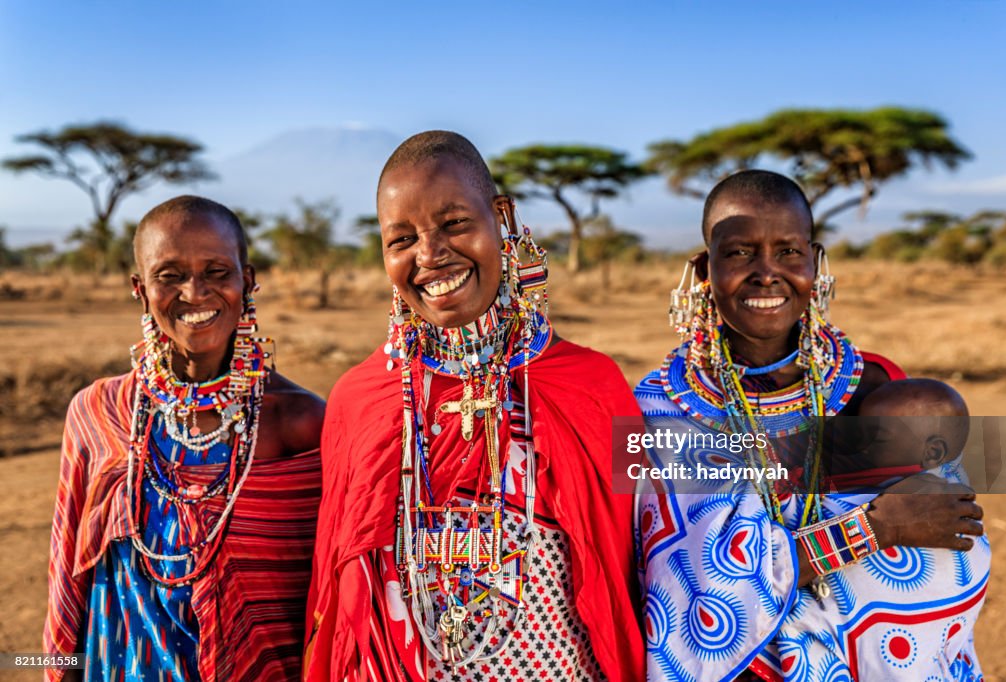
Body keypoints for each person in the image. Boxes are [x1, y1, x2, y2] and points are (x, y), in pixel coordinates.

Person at [304, 131, 643, 682]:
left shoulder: (590, 384)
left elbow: (644, 559)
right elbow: (340, 597)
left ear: (501, 217)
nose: (431, 255)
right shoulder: (358, 401)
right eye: (401, 240)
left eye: (455, 223)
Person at [634, 170, 989, 681]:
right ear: (703, 268)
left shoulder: (875, 385)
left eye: (788, 251)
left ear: (816, 261)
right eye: (738, 253)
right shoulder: (662, 407)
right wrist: (876, 527)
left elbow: (947, 527)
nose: (766, 273)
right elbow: (693, 596)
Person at [44, 196, 325, 681]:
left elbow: (328, 597)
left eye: (217, 271)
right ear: (140, 287)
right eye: (169, 274)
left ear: (248, 279)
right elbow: (69, 575)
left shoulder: (300, 423)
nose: (194, 292)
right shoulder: (99, 412)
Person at [830, 378, 971, 481]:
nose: (860, 446)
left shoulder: (919, 496)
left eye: (877, 438)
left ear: (933, 453)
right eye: (859, 434)